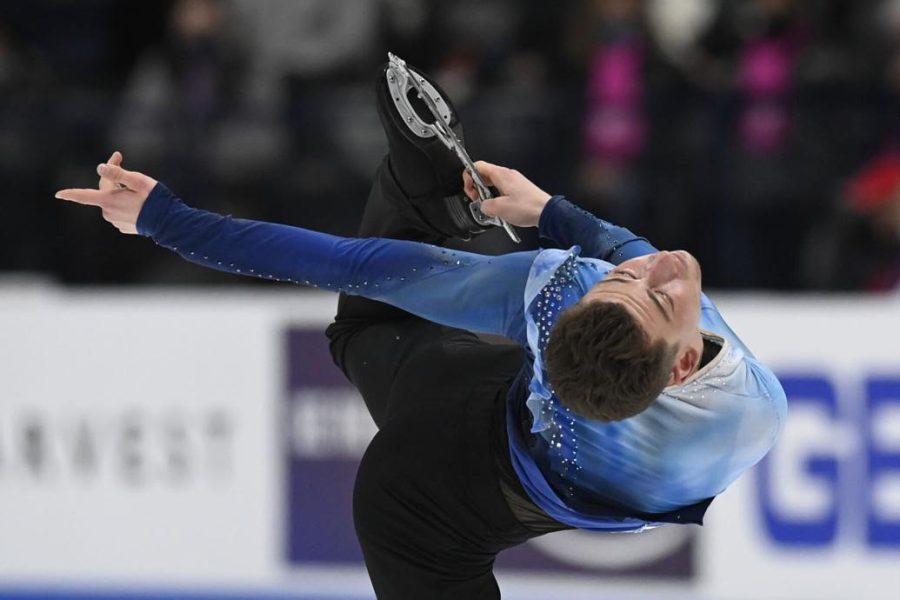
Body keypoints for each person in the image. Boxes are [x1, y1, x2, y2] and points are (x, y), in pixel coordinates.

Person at [57, 61, 787, 599]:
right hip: (486, 452)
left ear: (682, 365)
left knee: (370, 318)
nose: (658, 267)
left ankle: (428, 185)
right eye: (629, 281)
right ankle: (427, 178)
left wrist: (168, 221)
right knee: (376, 322)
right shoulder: (729, 395)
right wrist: (551, 212)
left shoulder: (554, 294)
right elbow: (620, 251)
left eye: (651, 294)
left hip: (442, 482)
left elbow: (353, 261)